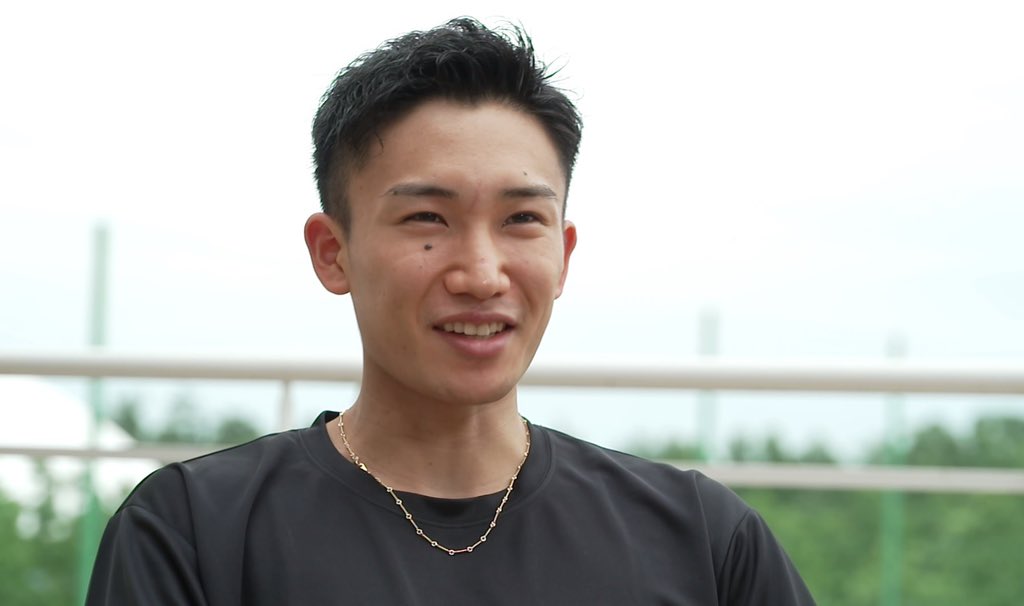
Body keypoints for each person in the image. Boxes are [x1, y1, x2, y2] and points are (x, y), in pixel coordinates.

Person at [87, 18, 815, 605]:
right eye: (427, 219)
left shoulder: (702, 540)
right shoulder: (193, 531)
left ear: (563, 254)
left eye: (521, 219)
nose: (481, 274)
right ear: (332, 253)